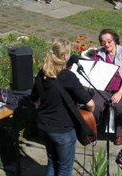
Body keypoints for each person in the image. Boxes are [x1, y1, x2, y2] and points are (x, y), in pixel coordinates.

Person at [30, 38, 95, 176]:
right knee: (64, 169)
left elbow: (34, 100)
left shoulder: (42, 73)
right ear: (65, 55)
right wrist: (91, 110)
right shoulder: (68, 76)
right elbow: (90, 104)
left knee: (52, 163)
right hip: (62, 130)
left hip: (43, 126)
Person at [92, 29, 122, 145]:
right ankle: (94, 128)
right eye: (103, 42)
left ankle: (119, 133)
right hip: (104, 88)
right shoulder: (99, 54)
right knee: (96, 104)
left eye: (109, 41)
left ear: (115, 40)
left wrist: (120, 92)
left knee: (119, 106)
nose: (107, 44)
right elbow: (93, 68)